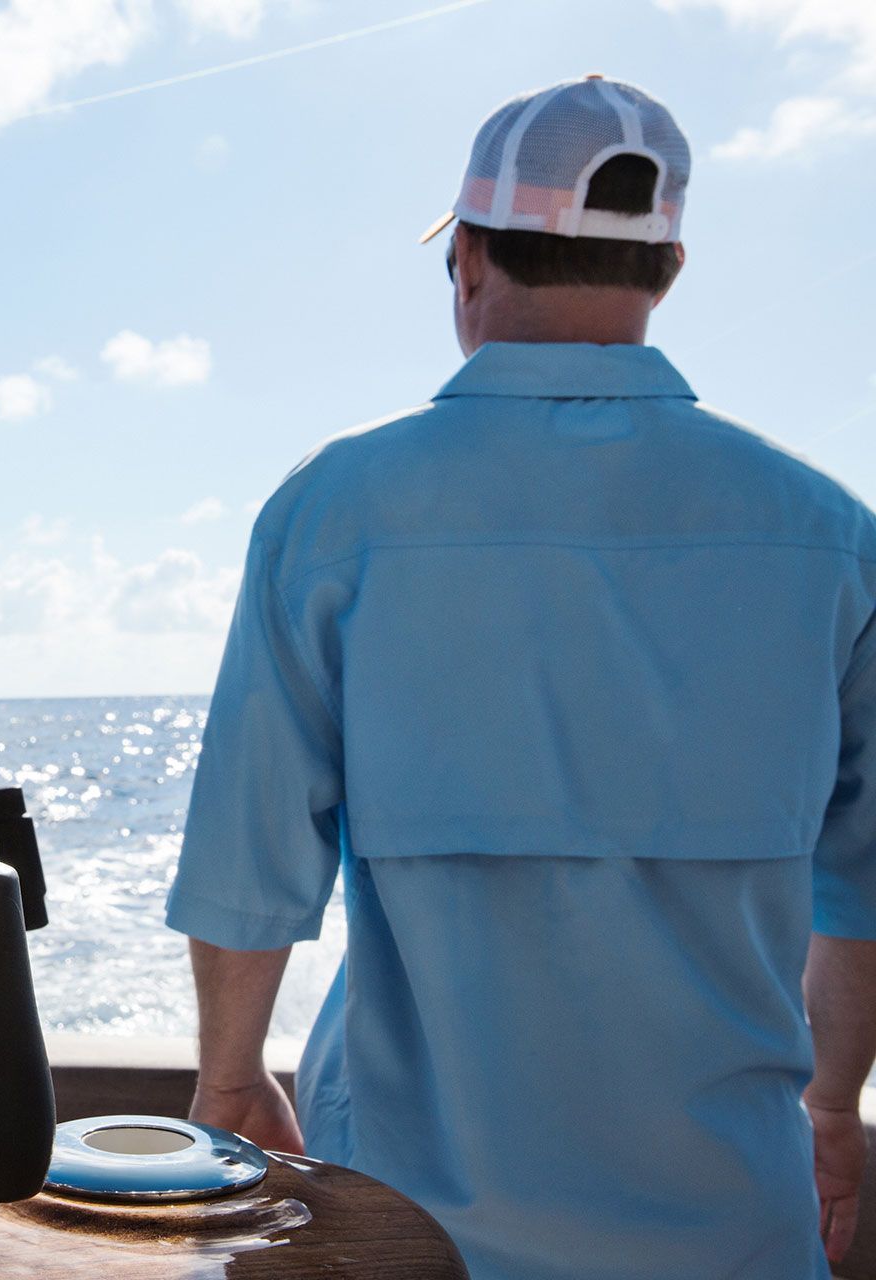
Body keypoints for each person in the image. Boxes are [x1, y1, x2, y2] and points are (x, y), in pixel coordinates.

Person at [167, 75, 876, 1279]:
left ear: (473, 259)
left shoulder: (335, 512)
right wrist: (831, 1105)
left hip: (415, 1232)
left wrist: (232, 1079)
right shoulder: (833, 538)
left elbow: (250, 864)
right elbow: (860, 888)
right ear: (669, 269)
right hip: (737, 1228)